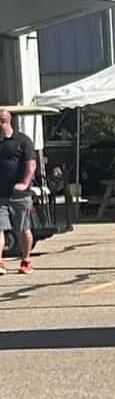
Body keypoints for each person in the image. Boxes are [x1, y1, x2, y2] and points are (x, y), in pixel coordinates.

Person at [0, 107, 37, 276]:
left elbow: (31, 165)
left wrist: (24, 183)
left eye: (2, 121)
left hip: (20, 195)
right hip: (1, 194)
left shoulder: (23, 141)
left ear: (7, 121)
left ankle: (26, 260)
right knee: (0, 228)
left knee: (23, 229)